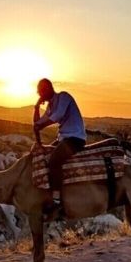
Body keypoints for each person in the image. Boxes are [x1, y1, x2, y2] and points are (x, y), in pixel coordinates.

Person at [33, 78, 86, 209]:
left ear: (48, 88)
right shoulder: (50, 106)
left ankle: (57, 200)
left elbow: (57, 115)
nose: (40, 95)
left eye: (41, 92)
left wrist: (41, 125)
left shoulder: (63, 97)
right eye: (39, 93)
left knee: (54, 161)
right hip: (64, 139)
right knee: (45, 155)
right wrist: (36, 107)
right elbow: (38, 123)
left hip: (75, 138)